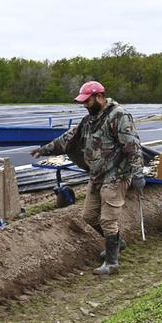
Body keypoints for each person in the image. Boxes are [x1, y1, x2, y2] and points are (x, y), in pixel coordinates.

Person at [31, 81, 144, 275]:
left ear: (99, 97)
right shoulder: (89, 121)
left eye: (87, 101)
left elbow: (132, 146)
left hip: (116, 175)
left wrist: (138, 173)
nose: (85, 105)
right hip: (97, 175)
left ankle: (112, 263)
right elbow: (67, 139)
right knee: (89, 216)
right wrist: (44, 150)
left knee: (108, 220)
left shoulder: (119, 116)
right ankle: (117, 242)